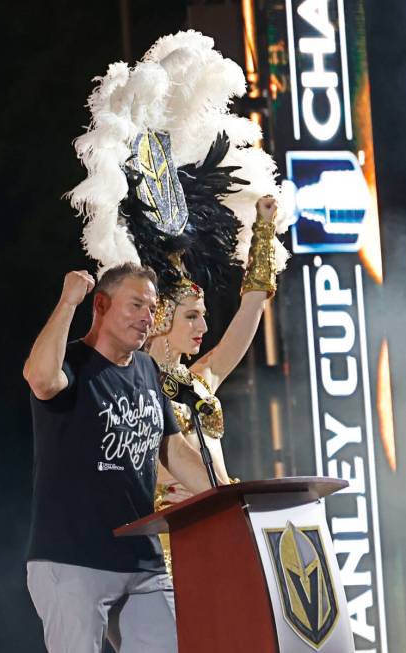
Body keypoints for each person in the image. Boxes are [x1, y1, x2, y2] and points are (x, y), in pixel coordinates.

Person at [23, 262, 226, 653]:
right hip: (73, 558)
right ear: (100, 304)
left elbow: (173, 449)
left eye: (151, 309)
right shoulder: (74, 363)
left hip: (140, 560)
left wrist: (228, 499)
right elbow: (41, 380)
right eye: (135, 305)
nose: (147, 318)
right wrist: (68, 302)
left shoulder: (148, 369)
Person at [147, 195, 279, 571]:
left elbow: (250, 311)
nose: (203, 328)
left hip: (223, 524)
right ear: (161, 318)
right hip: (171, 543)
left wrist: (264, 231)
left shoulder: (202, 378)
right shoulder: (135, 389)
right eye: (192, 317)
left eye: (203, 316)